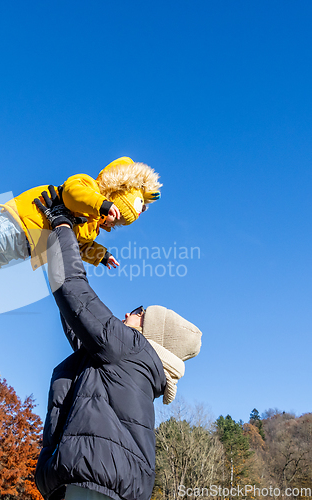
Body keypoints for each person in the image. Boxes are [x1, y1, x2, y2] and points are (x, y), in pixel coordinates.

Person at [33, 187, 202, 500]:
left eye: (138, 313)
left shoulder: (132, 349)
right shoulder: (130, 365)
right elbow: (75, 317)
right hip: (98, 487)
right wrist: (53, 245)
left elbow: (76, 293)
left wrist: (62, 225)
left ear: (151, 334)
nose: (128, 313)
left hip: (93, 490)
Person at [0, 157, 161, 290]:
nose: (109, 218)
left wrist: (101, 255)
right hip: (22, 220)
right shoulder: (88, 187)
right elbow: (73, 194)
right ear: (116, 192)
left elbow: (79, 245)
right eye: (114, 209)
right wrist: (101, 205)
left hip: (31, 245)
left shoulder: (92, 226)